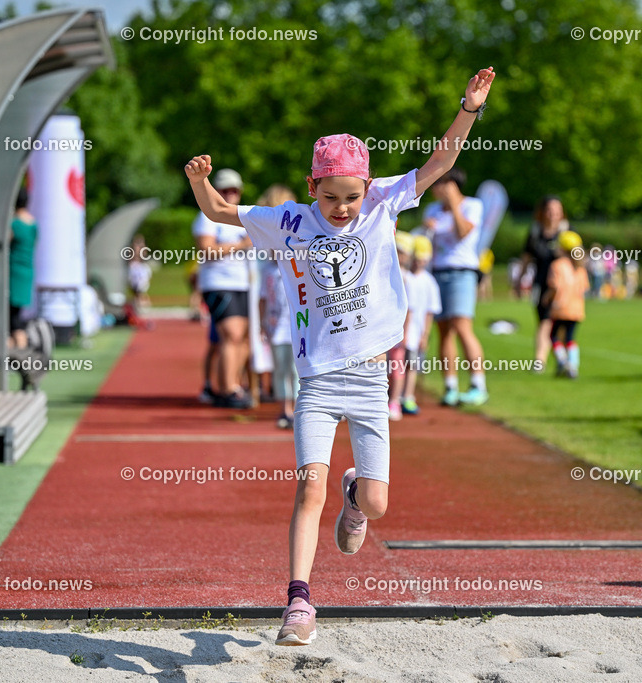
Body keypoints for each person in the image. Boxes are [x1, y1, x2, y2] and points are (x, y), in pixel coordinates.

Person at [185, 66, 495, 646]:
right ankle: (299, 601)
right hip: (319, 381)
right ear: (310, 188)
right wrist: (201, 183)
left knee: (374, 503)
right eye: (331, 198)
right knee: (308, 487)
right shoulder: (288, 223)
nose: (344, 208)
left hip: (371, 378)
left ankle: (355, 498)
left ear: (368, 187)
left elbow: (439, 163)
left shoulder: (382, 203)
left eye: (352, 197)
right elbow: (220, 215)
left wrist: (469, 108)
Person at [425, 168, 488, 406]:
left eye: (438, 184)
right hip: (437, 272)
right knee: (443, 331)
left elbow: (463, 233)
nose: (434, 189)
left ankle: (477, 385)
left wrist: (454, 205)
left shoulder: (473, 205)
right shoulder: (432, 210)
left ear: (451, 184)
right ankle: (450, 386)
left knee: (462, 326)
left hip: (462, 273)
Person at [193, 168, 254, 408]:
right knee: (232, 335)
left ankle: (232, 385)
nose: (230, 194)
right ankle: (227, 389)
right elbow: (207, 250)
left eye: (234, 190)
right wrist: (241, 245)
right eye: (225, 190)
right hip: (219, 283)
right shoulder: (206, 217)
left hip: (242, 283)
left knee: (243, 338)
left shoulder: (242, 216)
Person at [257, 185, 300, 429]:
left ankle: (296, 408)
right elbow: (263, 299)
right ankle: (284, 408)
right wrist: (263, 323)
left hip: (296, 326)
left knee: (296, 369)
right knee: (280, 369)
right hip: (276, 327)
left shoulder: (294, 267)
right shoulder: (269, 272)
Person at [514, 196, 566, 372]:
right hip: (541, 284)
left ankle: (559, 359)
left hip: (562, 287)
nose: (553, 214)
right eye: (550, 211)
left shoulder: (567, 232)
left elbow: (579, 259)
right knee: (544, 321)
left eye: (557, 211)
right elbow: (526, 258)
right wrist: (519, 280)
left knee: (559, 325)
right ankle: (541, 360)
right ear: (543, 212)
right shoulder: (535, 232)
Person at [400, 235, 441, 415]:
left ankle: (407, 396)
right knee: (396, 365)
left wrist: (425, 335)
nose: (419, 263)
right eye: (416, 259)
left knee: (412, 366)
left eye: (423, 260)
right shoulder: (405, 276)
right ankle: (393, 395)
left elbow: (429, 312)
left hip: (416, 332)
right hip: (400, 333)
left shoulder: (429, 282)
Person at [545, 231, 589, 378]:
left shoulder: (557, 265)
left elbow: (554, 286)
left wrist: (546, 298)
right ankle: (573, 365)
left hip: (560, 306)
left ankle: (564, 362)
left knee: (554, 336)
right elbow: (584, 288)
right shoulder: (580, 266)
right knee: (570, 338)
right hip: (576, 308)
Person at [387, 231, 416, 421]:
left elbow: (409, 309)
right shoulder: (384, 271)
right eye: (397, 251)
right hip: (381, 329)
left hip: (398, 330)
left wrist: (404, 331)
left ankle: (395, 401)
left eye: (403, 252)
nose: (400, 255)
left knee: (397, 366)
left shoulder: (407, 278)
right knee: (380, 366)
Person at [8, 187, 38, 349]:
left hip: (13, 273)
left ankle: (20, 353)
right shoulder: (33, 224)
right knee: (16, 313)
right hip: (26, 272)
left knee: (12, 318)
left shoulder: (14, 224)